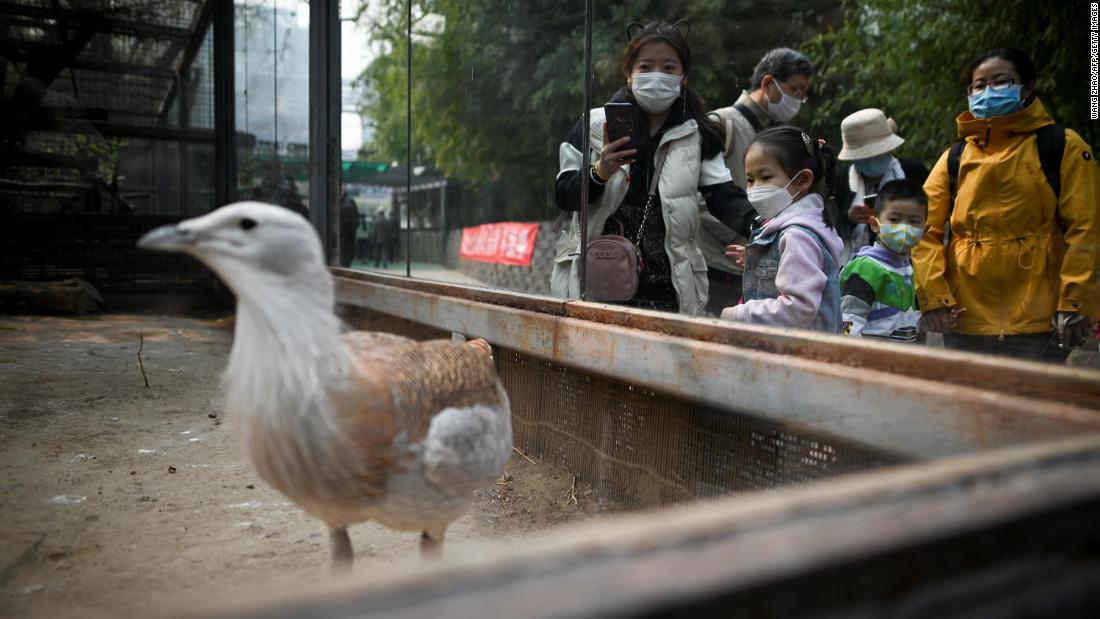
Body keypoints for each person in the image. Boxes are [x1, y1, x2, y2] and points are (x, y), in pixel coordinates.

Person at [551, 20, 756, 315]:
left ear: (683, 76)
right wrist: (601, 170)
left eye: (668, 68)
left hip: (669, 291)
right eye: (645, 67)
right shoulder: (594, 125)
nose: (656, 76)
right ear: (629, 73)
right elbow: (565, 195)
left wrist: (769, 228)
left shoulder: (697, 134)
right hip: (600, 283)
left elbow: (725, 199)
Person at [913, 47, 1100, 362]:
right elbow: (922, 230)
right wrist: (934, 299)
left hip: (1041, 320)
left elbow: (1086, 230)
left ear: (1027, 88)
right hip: (964, 318)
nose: (987, 92)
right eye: (978, 85)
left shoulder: (1062, 146)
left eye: (1001, 82)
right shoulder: (955, 157)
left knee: (1035, 406)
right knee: (971, 406)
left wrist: (1075, 304)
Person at [703, 48, 816, 316]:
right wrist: (753, 233)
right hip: (717, 264)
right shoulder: (721, 124)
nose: (798, 99)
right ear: (768, 83)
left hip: (756, 263)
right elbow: (700, 200)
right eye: (794, 89)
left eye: (803, 94)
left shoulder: (774, 135)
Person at [720, 126, 843, 332]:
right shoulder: (810, 224)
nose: (755, 188)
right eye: (750, 180)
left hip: (797, 356)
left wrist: (740, 314)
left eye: (766, 177)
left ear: (803, 180)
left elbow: (798, 309)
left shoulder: (797, 236)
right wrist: (764, 260)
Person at [833, 109, 928, 263]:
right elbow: (829, 224)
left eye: (876, 153)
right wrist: (849, 218)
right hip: (855, 265)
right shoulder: (841, 180)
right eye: (865, 156)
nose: (871, 159)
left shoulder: (913, 172)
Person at [839, 179, 926, 342]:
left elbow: (908, 318)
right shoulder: (867, 269)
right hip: (870, 363)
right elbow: (847, 323)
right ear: (874, 224)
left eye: (914, 221)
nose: (904, 228)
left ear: (925, 229)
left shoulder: (908, 267)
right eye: (894, 220)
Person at [338, 191, 360, 267]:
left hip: (343, 230)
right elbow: (357, 218)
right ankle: (347, 264)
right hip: (350, 231)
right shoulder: (351, 202)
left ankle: (344, 264)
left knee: (343, 248)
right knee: (349, 249)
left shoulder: (341, 203)